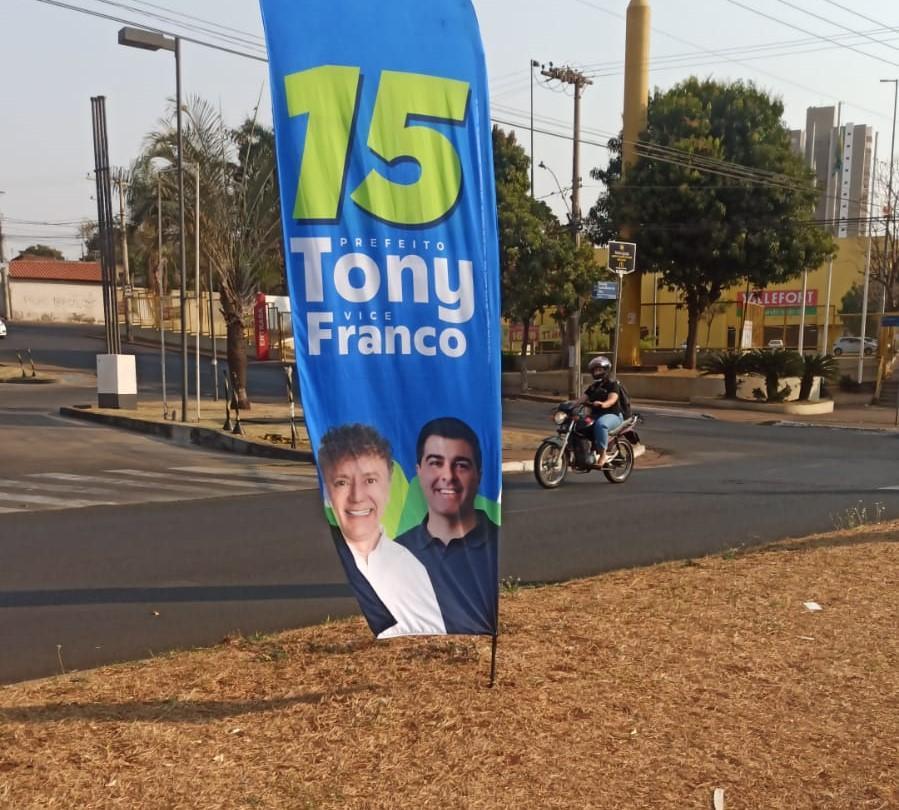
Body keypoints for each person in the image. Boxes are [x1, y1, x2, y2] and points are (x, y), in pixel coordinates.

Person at [318, 423, 446, 638]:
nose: (357, 496)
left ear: (388, 484)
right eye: (341, 482)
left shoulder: (411, 567)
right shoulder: (326, 562)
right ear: (327, 490)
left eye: (370, 480)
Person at [396, 418, 498, 636]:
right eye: (435, 463)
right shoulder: (396, 553)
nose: (448, 476)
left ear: (478, 475)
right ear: (419, 470)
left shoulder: (498, 545)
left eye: (461, 466)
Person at [578, 355, 623, 467]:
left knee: (601, 424)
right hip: (596, 415)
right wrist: (568, 405)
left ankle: (603, 455)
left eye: (599, 369)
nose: (597, 372)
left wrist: (604, 404)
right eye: (595, 370)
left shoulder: (612, 384)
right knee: (579, 425)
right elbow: (580, 400)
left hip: (613, 415)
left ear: (606, 370)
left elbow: (613, 399)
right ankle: (584, 452)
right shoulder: (593, 387)